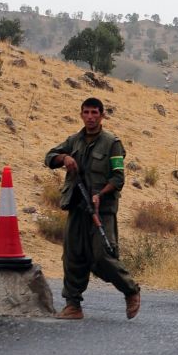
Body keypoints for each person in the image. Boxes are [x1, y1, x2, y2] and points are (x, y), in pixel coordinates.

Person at [44, 97, 140, 320]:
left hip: (101, 209)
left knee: (101, 255)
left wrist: (100, 194)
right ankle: (73, 304)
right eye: (86, 112)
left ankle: (130, 290)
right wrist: (65, 158)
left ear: (102, 115)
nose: (90, 117)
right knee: (72, 254)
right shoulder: (74, 140)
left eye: (94, 113)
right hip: (77, 206)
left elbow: (118, 178)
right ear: (81, 115)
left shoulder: (112, 143)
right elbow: (49, 157)